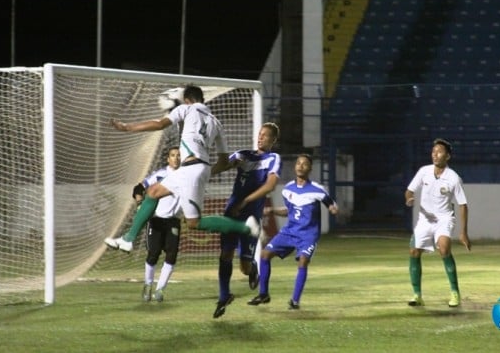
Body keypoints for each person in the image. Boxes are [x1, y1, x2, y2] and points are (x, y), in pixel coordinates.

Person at [104, 84, 260, 253]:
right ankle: (128, 239)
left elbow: (159, 124)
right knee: (153, 192)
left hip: (190, 169)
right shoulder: (216, 123)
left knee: (194, 223)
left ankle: (246, 227)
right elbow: (223, 162)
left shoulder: (186, 109)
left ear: (187, 100)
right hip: (197, 168)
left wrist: (128, 127)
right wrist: (206, 172)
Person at [247, 154, 338, 310]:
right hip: (289, 232)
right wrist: (272, 210)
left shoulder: (318, 190)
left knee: (303, 260)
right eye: (298, 163)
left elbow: (331, 204)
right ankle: (263, 294)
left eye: (304, 164)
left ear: (310, 168)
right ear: (295, 167)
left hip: (308, 235)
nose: (300, 166)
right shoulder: (288, 188)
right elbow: (290, 211)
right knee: (265, 255)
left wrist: (333, 208)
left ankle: (294, 301)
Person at [213, 122, 282, 318]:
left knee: (244, 266)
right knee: (225, 254)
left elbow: (270, 186)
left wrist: (245, 202)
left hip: (250, 219)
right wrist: (202, 174)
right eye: (260, 134)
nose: (260, 137)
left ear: (273, 140)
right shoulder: (244, 154)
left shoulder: (273, 159)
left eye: (265, 135)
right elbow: (225, 163)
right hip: (232, 212)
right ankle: (224, 295)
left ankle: (252, 271)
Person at [405, 138, 471, 308]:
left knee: (444, 247)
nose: (435, 154)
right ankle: (417, 294)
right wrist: (409, 198)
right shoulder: (424, 172)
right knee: (413, 251)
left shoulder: (453, 178)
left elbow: (463, 205)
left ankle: (455, 292)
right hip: (425, 219)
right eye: (433, 151)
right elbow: (409, 190)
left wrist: (463, 232)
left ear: (447, 156)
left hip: (444, 218)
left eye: (439, 152)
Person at [132, 146, 182, 303]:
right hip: (156, 219)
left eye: (179, 155)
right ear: (168, 159)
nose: (176, 158)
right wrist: (140, 204)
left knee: (171, 255)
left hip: (173, 220)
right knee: (153, 254)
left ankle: (160, 290)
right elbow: (138, 188)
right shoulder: (161, 175)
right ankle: (148, 285)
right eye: (173, 155)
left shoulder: (186, 177)